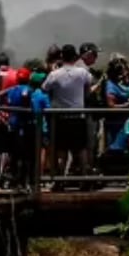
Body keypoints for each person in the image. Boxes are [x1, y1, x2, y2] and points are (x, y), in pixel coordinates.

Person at [45, 43, 94, 181]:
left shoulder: (54, 75)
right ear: (74, 56)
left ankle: (60, 179)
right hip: (79, 116)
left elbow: (45, 89)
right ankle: (85, 178)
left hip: (61, 117)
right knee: (81, 149)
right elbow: (89, 88)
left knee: (62, 150)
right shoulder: (82, 73)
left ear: (61, 56)